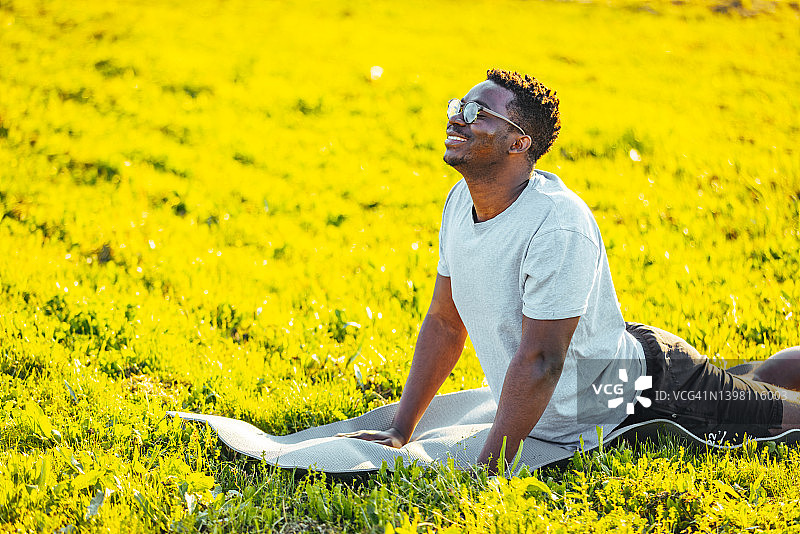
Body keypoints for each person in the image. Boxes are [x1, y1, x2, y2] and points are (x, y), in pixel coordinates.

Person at [338, 69, 800, 473]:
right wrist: (400, 428)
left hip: (644, 390)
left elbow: (543, 360)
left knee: (784, 416)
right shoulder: (461, 202)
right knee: (753, 380)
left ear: (519, 142)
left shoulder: (556, 223)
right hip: (606, 356)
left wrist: (489, 470)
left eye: (478, 112)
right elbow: (444, 320)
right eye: (458, 105)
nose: (457, 117)